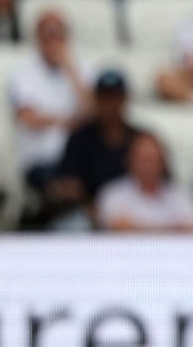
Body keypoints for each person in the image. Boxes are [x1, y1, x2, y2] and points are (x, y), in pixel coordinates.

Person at [8, 11, 95, 193]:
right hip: (44, 159)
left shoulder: (83, 70)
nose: (54, 43)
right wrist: (69, 122)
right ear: (38, 40)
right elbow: (28, 118)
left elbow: (93, 112)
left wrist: (70, 70)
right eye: (48, 36)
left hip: (80, 157)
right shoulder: (23, 74)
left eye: (59, 36)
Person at [46, 70, 139, 228]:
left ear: (124, 99)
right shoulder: (80, 139)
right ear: (96, 100)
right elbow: (67, 184)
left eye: (115, 98)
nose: (110, 104)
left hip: (135, 214)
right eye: (104, 98)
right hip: (88, 215)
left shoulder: (140, 139)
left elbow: (160, 185)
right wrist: (89, 204)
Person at [96, 132, 193, 232]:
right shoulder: (113, 194)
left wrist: (139, 229)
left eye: (153, 159)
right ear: (130, 160)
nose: (148, 166)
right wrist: (173, 229)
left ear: (163, 162)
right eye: (143, 160)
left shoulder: (181, 195)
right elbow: (119, 228)